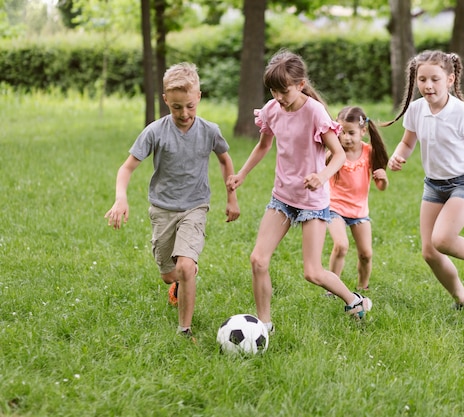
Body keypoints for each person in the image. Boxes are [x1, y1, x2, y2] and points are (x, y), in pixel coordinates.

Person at [226, 50, 372, 333]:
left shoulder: (315, 112)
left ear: (300, 84)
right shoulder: (271, 110)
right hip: (282, 196)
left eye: (284, 90)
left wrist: (322, 176)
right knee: (258, 259)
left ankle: (354, 300)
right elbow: (263, 146)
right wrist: (242, 174)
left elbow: (339, 154)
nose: (278, 97)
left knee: (312, 272)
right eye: (273, 90)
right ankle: (264, 324)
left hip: (312, 202)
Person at [104, 62, 240, 339]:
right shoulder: (155, 131)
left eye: (190, 106)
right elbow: (126, 168)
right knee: (170, 274)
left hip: (195, 206)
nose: (184, 113)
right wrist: (121, 199)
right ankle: (177, 281)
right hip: (162, 209)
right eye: (176, 107)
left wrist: (231, 197)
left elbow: (225, 160)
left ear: (199, 96)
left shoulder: (210, 130)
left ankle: (184, 329)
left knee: (185, 266)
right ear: (166, 100)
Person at [383, 50, 464, 309]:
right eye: (422, 79)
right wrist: (397, 155)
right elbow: (408, 141)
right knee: (429, 252)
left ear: (450, 79)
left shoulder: (463, 114)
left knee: (441, 239)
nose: (428, 85)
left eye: (435, 79)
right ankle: (462, 299)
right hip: (433, 185)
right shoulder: (417, 109)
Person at [325, 106, 389, 293]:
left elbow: (380, 187)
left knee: (366, 254)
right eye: (342, 132)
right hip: (334, 207)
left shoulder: (369, 152)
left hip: (359, 211)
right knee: (341, 245)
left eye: (351, 133)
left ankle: (363, 286)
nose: (346, 137)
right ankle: (332, 288)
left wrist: (383, 179)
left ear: (363, 131)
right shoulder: (334, 152)